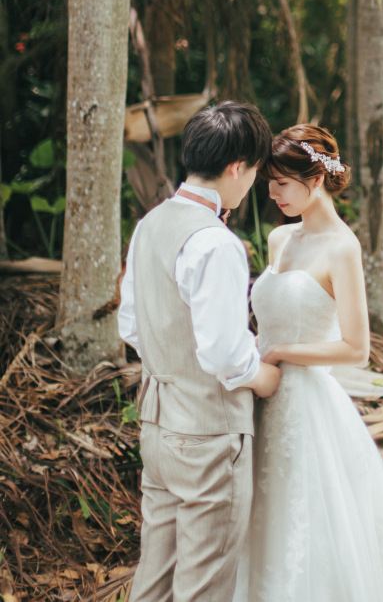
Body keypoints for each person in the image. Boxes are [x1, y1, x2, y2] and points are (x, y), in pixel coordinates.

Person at [233, 123, 383, 602]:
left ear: (314, 181)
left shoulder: (343, 247)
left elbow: (356, 348)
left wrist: (280, 352)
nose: (272, 193)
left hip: (306, 405)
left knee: (305, 521)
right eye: (270, 183)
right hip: (258, 397)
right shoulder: (279, 240)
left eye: (281, 183)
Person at [118, 100, 281, 602]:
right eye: (254, 171)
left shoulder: (150, 225)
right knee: (203, 587)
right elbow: (225, 355)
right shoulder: (216, 242)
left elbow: (132, 324)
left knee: (155, 579)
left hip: (157, 426)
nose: (252, 182)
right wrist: (264, 377)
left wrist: (174, 365)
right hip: (208, 435)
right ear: (237, 167)